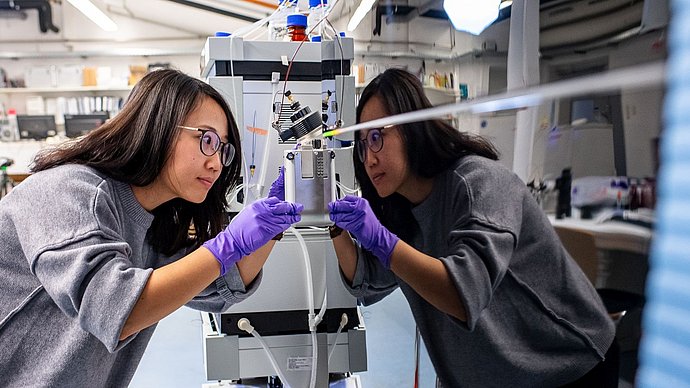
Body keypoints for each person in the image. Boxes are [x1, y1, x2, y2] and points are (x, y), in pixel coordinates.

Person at [0, 69, 302, 387]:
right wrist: (228, 244)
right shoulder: (66, 190)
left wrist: (271, 227)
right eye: (207, 140)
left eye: (223, 150)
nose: (216, 163)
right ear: (158, 127)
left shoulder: (155, 223)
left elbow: (222, 284)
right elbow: (115, 307)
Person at [327, 68, 618, 387]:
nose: (368, 159)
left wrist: (383, 242)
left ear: (413, 129)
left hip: (567, 368)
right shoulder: (404, 209)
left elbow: (464, 294)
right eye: (362, 145)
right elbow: (367, 280)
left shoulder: (481, 183)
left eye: (377, 138)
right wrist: (332, 224)